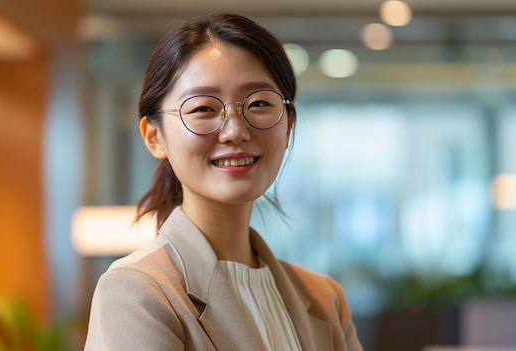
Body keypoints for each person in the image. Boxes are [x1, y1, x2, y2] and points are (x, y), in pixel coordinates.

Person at [84, 13, 363, 351]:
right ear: (154, 136)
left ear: (287, 125)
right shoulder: (138, 291)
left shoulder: (325, 299)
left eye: (258, 103)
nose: (235, 131)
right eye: (202, 108)